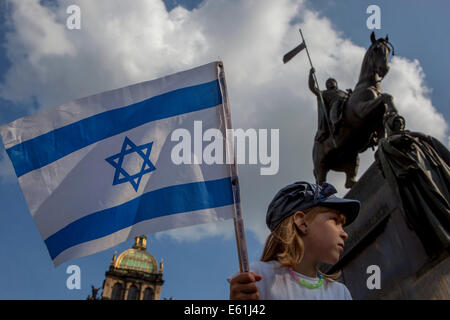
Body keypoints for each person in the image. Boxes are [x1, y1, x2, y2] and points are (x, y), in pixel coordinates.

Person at [229, 181, 360, 300]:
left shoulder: (341, 293)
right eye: (335, 221)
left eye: (342, 225)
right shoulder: (258, 276)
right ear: (302, 222)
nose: (344, 234)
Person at [375, 113, 450, 258]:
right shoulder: (387, 143)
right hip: (416, 177)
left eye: (402, 123)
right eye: (397, 123)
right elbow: (382, 165)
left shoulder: (416, 136)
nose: (400, 126)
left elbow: (429, 144)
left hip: (430, 170)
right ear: (390, 125)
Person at [308, 68, 349, 141]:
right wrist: (311, 75)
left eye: (332, 81)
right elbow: (312, 88)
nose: (330, 83)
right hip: (335, 107)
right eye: (328, 82)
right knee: (337, 103)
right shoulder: (324, 93)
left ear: (336, 83)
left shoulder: (342, 92)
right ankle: (336, 123)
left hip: (346, 104)